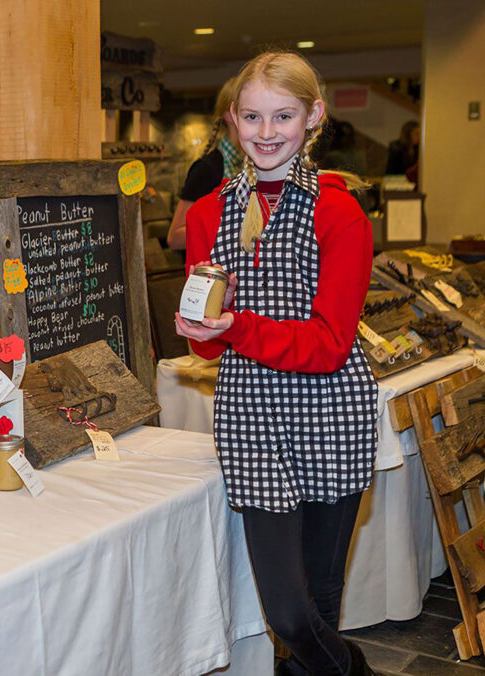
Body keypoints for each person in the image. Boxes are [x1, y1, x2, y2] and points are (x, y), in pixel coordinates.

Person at [175, 51, 377, 676]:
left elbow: (327, 345)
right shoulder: (209, 213)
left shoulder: (339, 213)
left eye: (283, 116)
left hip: (331, 415)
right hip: (252, 418)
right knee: (288, 614)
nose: (266, 133)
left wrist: (237, 327)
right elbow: (206, 343)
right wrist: (202, 333)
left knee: (317, 604)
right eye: (254, 117)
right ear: (233, 120)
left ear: (313, 116)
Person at [167, 78, 243, 250]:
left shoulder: (257, 165)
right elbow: (175, 238)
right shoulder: (207, 169)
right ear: (229, 116)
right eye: (251, 115)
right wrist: (234, 228)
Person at [386, 120, 419, 184]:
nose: (419, 137)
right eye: (416, 133)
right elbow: (391, 172)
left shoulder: (418, 149)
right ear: (408, 135)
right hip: (396, 182)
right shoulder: (396, 150)